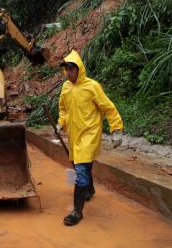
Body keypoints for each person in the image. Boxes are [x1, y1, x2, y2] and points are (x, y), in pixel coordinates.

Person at [57, 50, 123, 226]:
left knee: (81, 170)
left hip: (89, 135)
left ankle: (77, 212)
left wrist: (116, 128)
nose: (69, 73)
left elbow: (108, 107)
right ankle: (90, 190)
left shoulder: (92, 86)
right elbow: (63, 109)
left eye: (72, 69)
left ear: (79, 69)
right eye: (66, 70)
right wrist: (60, 123)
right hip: (74, 135)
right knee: (84, 166)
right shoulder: (66, 87)